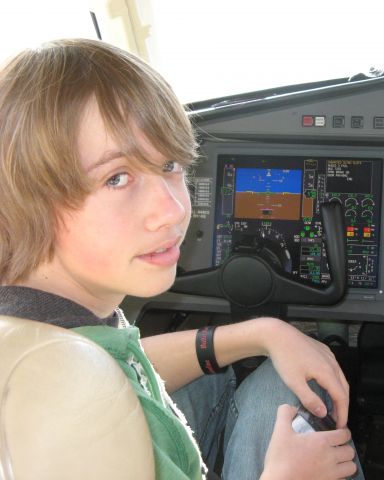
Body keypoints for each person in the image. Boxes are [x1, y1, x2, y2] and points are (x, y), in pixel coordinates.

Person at [0, 38, 362, 480]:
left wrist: (265, 332)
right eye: (117, 178)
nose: (172, 209)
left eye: (171, 164)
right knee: (299, 396)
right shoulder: (69, 410)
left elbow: (120, 363)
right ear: (27, 197)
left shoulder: (47, 325)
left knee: (225, 373)